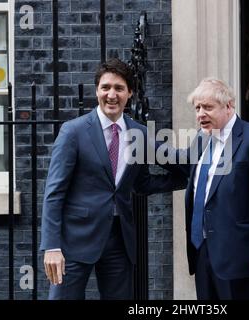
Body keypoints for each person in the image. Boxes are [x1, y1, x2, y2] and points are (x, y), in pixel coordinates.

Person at [40, 58, 186, 300]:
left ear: (129, 93)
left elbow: (144, 183)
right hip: (75, 240)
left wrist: (195, 178)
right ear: (96, 90)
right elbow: (54, 193)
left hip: (119, 240)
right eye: (106, 87)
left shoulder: (139, 133)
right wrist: (52, 246)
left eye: (119, 88)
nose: (111, 94)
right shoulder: (74, 131)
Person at [180, 77, 249, 300]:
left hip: (241, 257)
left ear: (229, 106)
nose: (200, 113)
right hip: (202, 252)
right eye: (197, 108)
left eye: (208, 107)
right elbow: (181, 165)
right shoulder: (202, 140)